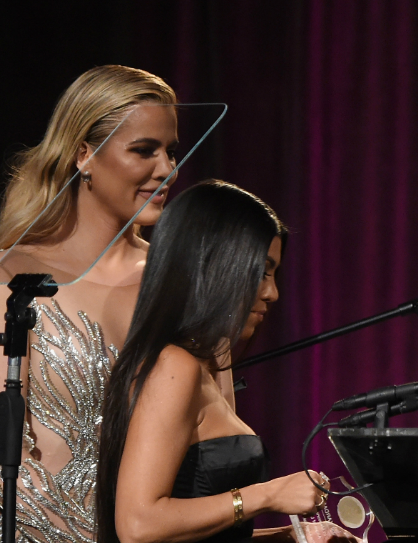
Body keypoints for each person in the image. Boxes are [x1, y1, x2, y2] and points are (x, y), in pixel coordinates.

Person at [0, 65, 179, 543]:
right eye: (144, 150)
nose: (166, 169)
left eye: (172, 151)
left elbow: (216, 446)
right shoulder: (6, 277)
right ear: (85, 155)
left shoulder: (183, 281)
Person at [96, 180, 350, 543]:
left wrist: (291, 537)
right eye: (261, 272)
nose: (272, 293)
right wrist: (268, 495)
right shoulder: (173, 366)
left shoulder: (208, 365)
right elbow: (139, 526)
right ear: (213, 264)